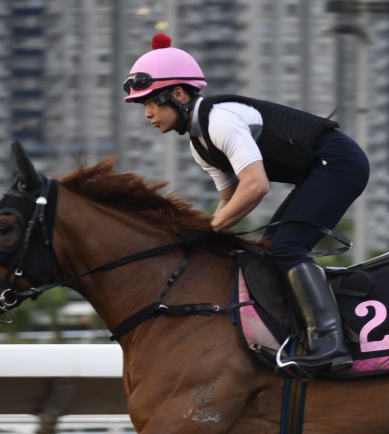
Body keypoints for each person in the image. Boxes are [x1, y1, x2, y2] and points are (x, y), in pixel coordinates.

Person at [124, 34, 369, 375]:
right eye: (143, 106)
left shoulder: (219, 120)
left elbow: (256, 186)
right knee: (272, 249)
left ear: (178, 94)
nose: (148, 114)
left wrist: (208, 230)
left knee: (287, 247)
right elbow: (230, 201)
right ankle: (305, 333)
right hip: (319, 171)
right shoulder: (200, 144)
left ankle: (330, 342)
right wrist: (205, 232)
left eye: (151, 102)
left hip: (340, 163)